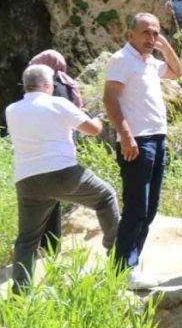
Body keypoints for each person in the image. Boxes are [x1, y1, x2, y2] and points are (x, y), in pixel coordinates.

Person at [7, 65, 120, 290]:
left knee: (27, 240)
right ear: (49, 85)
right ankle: (118, 257)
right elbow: (93, 130)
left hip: (27, 180)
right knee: (105, 196)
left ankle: (20, 294)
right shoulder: (58, 103)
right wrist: (96, 117)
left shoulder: (11, 110)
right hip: (62, 173)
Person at [103, 11, 182, 290]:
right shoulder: (121, 60)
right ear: (130, 35)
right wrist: (125, 135)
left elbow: (177, 72)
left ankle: (126, 265)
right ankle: (123, 270)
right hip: (138, 140)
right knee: (137, 207)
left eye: (156, 33)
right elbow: (110, 99)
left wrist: (165, 47)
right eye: (146, 33)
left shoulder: (149, 61)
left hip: (157, 138)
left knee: (148, 209)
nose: (151, 38)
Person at [28, 49, 86, 253]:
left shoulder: (53, 88)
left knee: (44, 200)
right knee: (52, 198)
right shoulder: (68, 84)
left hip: (45, 151)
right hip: (63, 148)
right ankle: (51, 245)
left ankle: (48, 247)